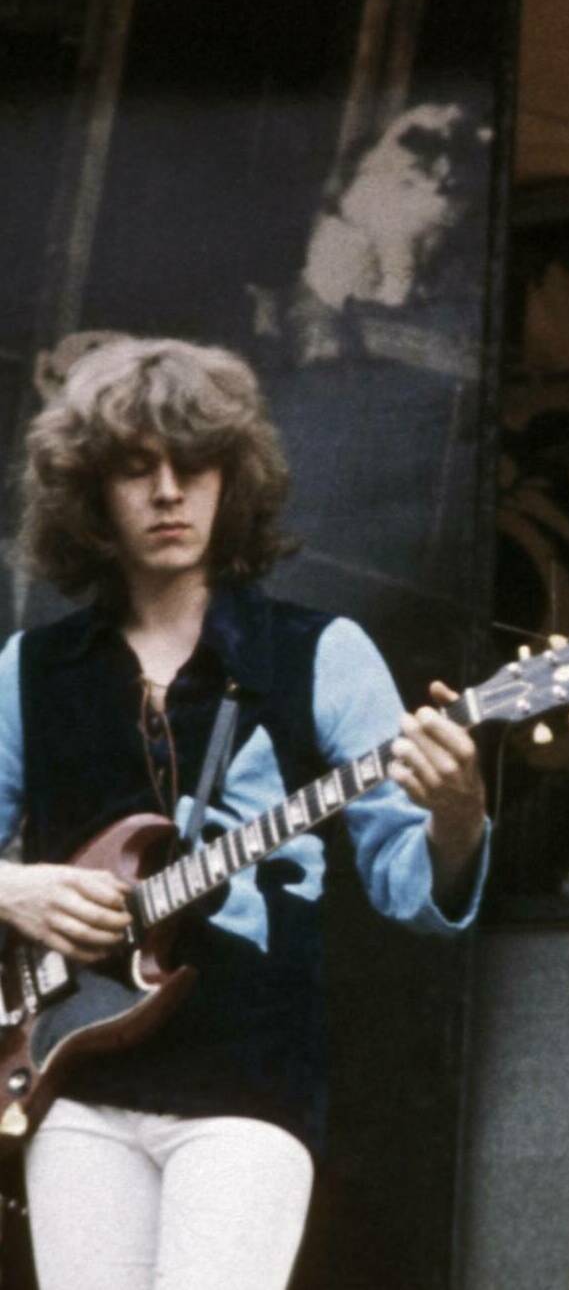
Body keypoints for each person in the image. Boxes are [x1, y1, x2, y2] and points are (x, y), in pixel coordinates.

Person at [0, 336, 488, 1290]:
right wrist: (13, 889)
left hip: (249, 1080)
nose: (170, 491)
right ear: (91, 494)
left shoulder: (321, 655)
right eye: (136, 470)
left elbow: (405, 883)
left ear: (237, 479)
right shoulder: (30, 670)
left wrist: (458, 813)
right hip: (77, 1082)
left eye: (195, 464)